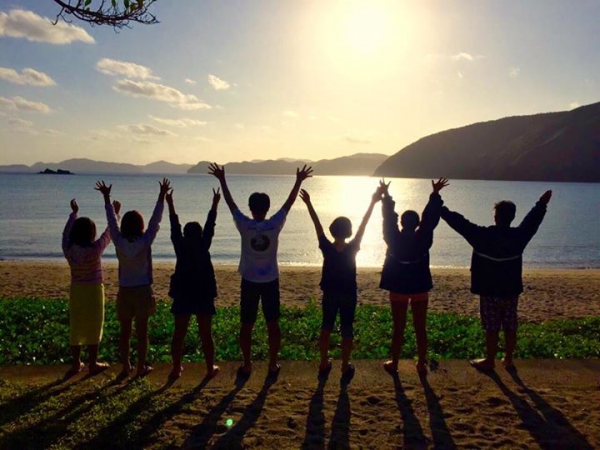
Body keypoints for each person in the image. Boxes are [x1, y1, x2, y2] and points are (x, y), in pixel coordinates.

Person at [208, 162, 313, 377]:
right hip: (270, 282)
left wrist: (222, 180)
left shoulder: (244, 225)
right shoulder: (274, 224)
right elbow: (288, 204)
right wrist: (298, 181)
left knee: (247, 325)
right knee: (272, 324)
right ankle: (273, 364)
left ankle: (247, 364)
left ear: (251, 208)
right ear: (266, 209)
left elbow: (231, 204)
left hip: (249, 282)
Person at [441, 190, 552, 371]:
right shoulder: (519, 237)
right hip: (510, 290)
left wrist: (440, 207)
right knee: (510, 325)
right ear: (512, 217)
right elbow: (532, 222)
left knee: (491, 327)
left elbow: (460, 224)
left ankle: (490, 360)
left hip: (489, 290)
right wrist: (541, 204)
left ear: (495, 217)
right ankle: (508, 360)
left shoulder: (482, 236)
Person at [300, 187, 382, 379]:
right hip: (348, 294)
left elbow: (317, 225)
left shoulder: (327, 247)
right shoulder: (353, 247)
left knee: (326, 326)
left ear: (333, 231)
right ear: (348, 232)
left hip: (330, 293)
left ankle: (323, 363)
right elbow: (364, 223)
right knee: (347, 328)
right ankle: (345, 365)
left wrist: (309, 203)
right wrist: (373, 202)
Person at [95, 178, 170, 378]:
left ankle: (126, 366)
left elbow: (112, 223)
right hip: (143, 289)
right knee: (142, 332)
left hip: (125, 289)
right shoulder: (145, 240)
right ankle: (140, 367)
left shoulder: (118, 241)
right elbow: (156, 221)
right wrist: (162, 195)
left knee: (125, 331)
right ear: (140, 225)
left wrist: (107, 199)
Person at [379, 178, 449, 376]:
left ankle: (394, 362)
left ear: (402, 222)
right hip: (419, 285)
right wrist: (435, 195)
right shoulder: (424, 237)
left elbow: (388, 219)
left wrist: (386, 197)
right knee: (420, 327)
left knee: (398, 327)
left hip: (398, 285)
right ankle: (421, 364)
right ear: (417, 223)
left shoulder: (393, 237)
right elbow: (430, 220)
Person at [166, 186, 221, 380]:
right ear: (199, 234)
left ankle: (176, 368)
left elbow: (174, 227)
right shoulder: (204, 243)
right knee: (206, 333)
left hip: (183, 293)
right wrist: (215, 203)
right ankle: (208, 368)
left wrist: (170, 203)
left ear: (185, 234)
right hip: (203, 293)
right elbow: (210, 225)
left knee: (179, 333)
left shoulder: (180, 246)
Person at [62, 198, 113, 376]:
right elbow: (109, 234)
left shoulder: (68, 249)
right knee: (94, 325)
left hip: (77, 290)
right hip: (93, 290)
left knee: (76, 325)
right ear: (91, 234)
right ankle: (92, 363)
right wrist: (115, 214)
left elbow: (65, 234)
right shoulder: (95, 249)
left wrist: (73, 214)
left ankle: (76, 364)